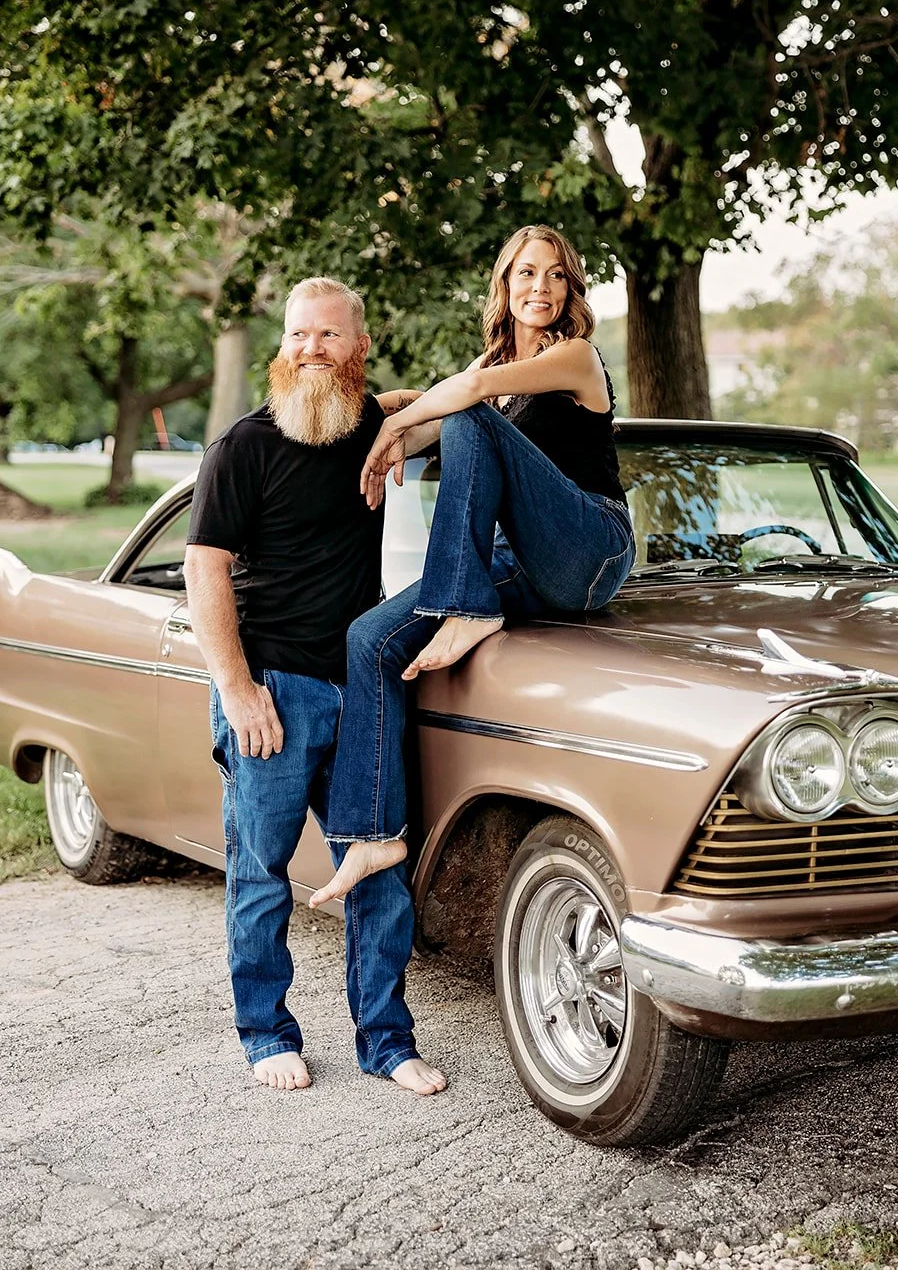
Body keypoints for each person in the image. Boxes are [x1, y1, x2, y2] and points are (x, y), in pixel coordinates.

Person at [309, 225, 635, 909]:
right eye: (525, 273)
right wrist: (387, 419)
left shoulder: (575, 358)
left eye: (553, 275)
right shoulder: (490, 375)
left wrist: (409, 423)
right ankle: (373, 833)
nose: (539, 287)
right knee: (368, 640)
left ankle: (466, 606)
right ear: (504, 284)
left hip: (591, 549)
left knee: (467, 413)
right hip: (521, 565)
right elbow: (433, 411)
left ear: (571, 287)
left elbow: (466, 396)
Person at [183, 278, 446, 1097]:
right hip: (274, 691)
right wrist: (235, 688)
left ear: (358, 348)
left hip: (364, 692)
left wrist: (402, 410)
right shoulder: (243, 446)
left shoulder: (373, 428)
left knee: (379, 874)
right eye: (299, 336)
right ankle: (266, 1034)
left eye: (329, 337)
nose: (310, 351)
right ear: (281, 344)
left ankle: (385, 1042)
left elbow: (457, 407)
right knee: (260, 873)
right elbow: (204, 568)